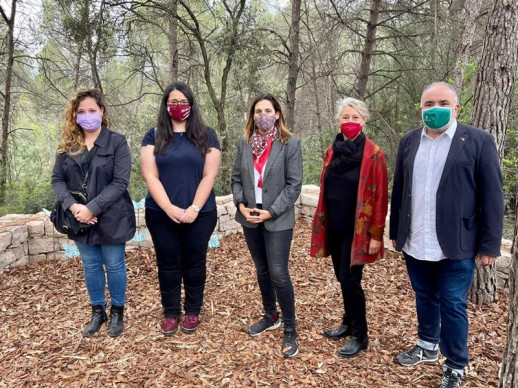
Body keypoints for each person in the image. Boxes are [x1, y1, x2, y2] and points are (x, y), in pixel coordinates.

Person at [389, 82, 504, 388]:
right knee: (424, 296)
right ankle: (427, 345)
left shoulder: (478, 141)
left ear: (456, 108)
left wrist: (490, 244)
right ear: (421, 108)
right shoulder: (409, 140)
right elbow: (399, 189)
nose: (434, 108)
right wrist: (395, 231)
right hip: (416, 239)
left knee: (452, 303)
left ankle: (455, 364)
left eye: (442, 102)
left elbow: (492, 196)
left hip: (458, 242)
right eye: (428, 104)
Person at [51, 89, 136, 337]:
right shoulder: (68, 144)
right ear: (74, 116)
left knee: (115, 265)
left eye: (91, 110)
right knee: (90, 266)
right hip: (78, 219)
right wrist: (74, 207)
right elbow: (57, 179)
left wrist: (92, 208)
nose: (87, 115)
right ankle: (97, 312)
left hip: (112, 216)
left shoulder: (117, 142)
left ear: (102, 111)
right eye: (81, 112)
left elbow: (120, 182)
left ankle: (117, 312)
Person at [310, 97, 388, 358]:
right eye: (346, 117)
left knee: (351, 280)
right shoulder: (333, 151)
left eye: (355, 117)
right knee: (341, 277)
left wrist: (376, 234)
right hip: (335, 225)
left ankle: (360, 335)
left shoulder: (373, 154)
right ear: (339, 121)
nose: (350, 122)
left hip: (359, 231)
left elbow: (380, 196)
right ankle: (347, 322)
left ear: (364, 120)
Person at [141, 81, 220, 336]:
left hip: (201, 213)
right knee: (168, 262)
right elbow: (150, 175)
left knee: (195, 262)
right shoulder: (153, 136)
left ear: (191, 105)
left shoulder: (207, 135)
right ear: (166, 105)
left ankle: (193, 310)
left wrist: (194, 208)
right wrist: (169, 208)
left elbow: (209, 174)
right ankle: (171, 313)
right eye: (173, 102)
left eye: (183, 102)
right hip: (161, 213)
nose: (178, 106)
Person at [231, 93, 303, 358]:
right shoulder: (245, 142)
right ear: (252, 115)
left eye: (268, 110)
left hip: (278, 219)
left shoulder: (289, 143)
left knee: (278, 273)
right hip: (250, 217)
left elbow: (294, 185)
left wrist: (270, 212)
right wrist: (240, 205)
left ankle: (290, 329)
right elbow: (236, 178)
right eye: (258, 111)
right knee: (262, 270)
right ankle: (270, 315)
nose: (263, 115)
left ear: (277, 114)